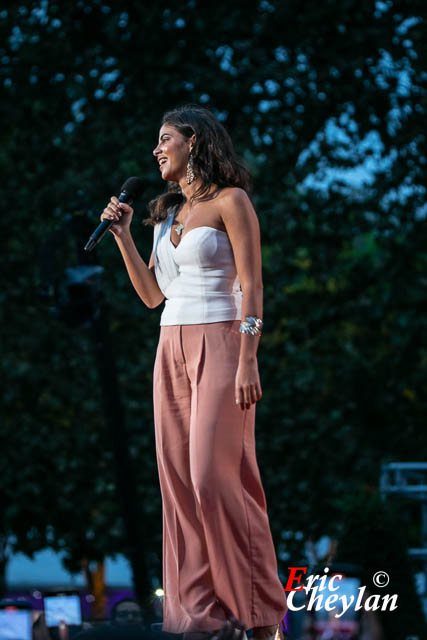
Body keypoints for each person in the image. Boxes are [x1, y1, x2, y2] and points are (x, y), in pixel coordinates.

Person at [100, 105, 287, 640]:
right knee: (179, 485)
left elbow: (253, 285)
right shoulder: (166, 212)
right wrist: (124, 237)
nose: (156, 150)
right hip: (170, 348)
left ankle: (259, 612)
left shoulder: (233, 201)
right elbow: (152, 296)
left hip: (223, 343)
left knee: (214, 476)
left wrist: (249, 357)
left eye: (165, 139)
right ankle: (202, 617)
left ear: (195, 142)